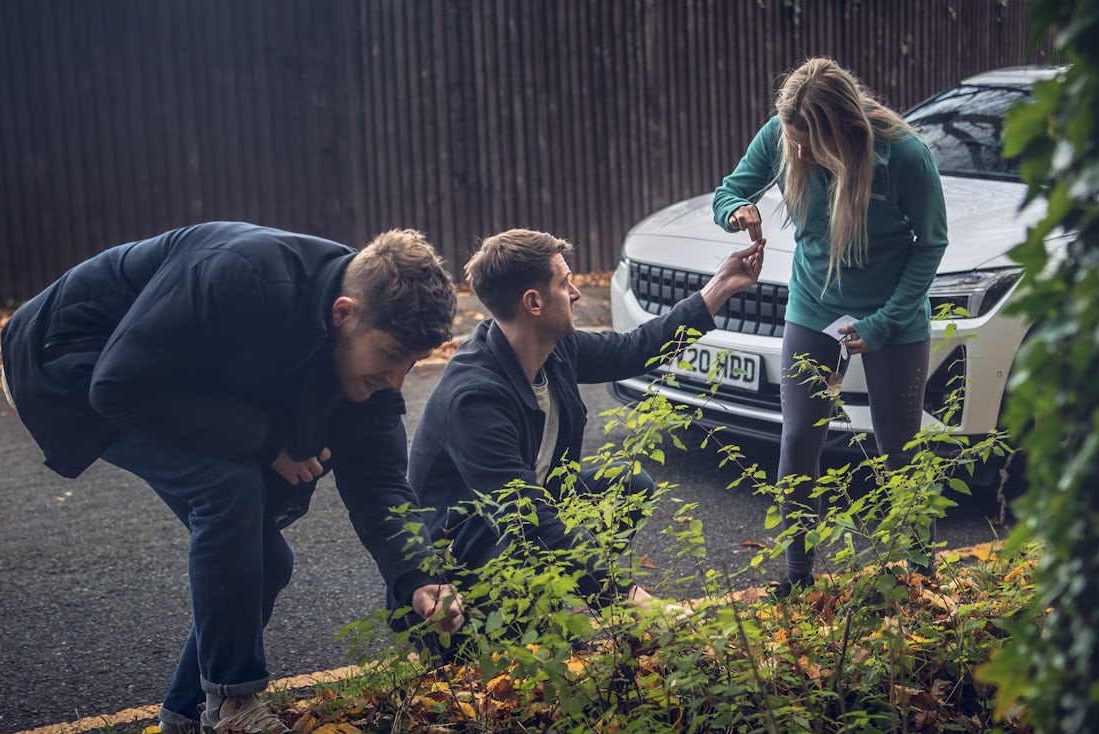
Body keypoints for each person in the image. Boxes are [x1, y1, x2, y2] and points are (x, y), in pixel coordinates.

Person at [1, 221, 466, 734]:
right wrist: (269, 442)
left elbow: (381, 485)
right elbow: (117, 386)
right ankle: (234, 704)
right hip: (67, 357)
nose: (395, 380)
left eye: (412, 363)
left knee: (265, 562)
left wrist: (420, 577)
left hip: (172, 372)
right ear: (344, 313)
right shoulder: (246, 279)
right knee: (227, 486)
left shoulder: (362, 353)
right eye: (391, 356)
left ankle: (185, 721)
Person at [405, 228, 764, 646]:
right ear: (533, 303)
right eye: (564, 282)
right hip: (462, 557)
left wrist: (719, 287)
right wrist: (628, 598)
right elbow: (526, 518)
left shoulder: (555, 348)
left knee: (629, 486)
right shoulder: (474, 399)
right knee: (558, 633)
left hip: (518, 521)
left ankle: (555, 595)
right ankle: (512, 625)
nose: (576, 293)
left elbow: (634, 349)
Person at [711, 57, 949, 594]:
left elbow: (932, 243)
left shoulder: (905, 155)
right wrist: (736, 211)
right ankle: (798, 578)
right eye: (791, 140)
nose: (796, 152)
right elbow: (729, 190)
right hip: (814, 312)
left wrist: (886, 322)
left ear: (843, 132)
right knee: (798, 440)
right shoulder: (783, 131)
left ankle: (921, 576)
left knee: (899, 447)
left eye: (808, 144)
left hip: (892, 316)